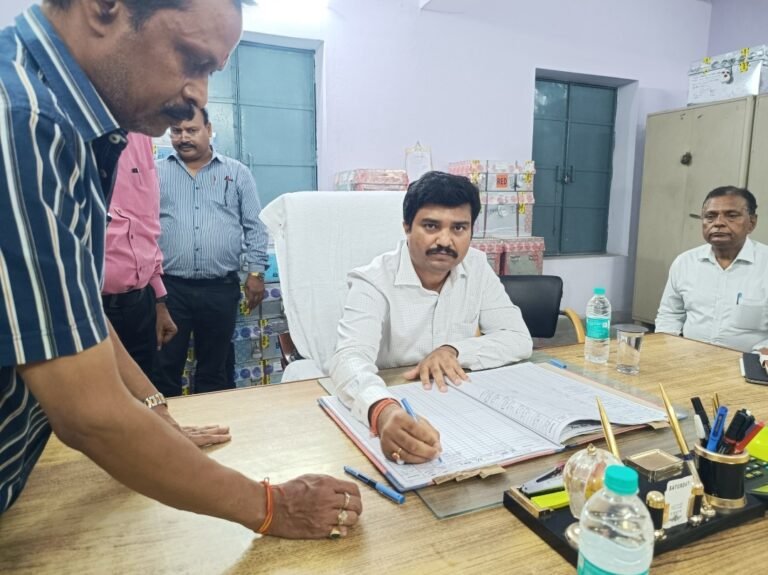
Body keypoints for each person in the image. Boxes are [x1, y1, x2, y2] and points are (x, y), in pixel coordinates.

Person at [0, 0, 361, 540]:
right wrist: (273, 508)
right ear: (104, 8)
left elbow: (71, 313)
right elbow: (89, 415)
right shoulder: (24, 122)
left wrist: (154, 412)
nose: (199, 96)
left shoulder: (69, 123)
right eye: (192, 60)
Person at [328, 171, 533, 464]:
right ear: (407, 227)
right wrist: (382, 409)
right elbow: (349, 357)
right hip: (395, 398)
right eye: (431, 226)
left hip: (460, 407)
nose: (445, 240)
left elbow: (518, 338)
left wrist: (453, 350)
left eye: (459, 228)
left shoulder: (476, 266)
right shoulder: (372, 280)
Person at [153, 106, 268, 396]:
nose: (183, 138)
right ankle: (168, 423)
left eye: (191, 130)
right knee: (165, 365)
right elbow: (145, 228)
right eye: (176, 131)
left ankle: (214, 420)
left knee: (215, 369)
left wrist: (256, 272)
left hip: (220, 289)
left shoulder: (236, 173)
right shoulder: (156, 173)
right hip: (170, 290)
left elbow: (254, 225)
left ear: (209, 129)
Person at [655, 186, 768, 365]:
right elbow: (670, 315)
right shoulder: (685, 262)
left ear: (752, 223)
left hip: (749, 366)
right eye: (710, 216)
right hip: (688, 362)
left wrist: (757, 359)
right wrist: (670, 351)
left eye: (731, 215)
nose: (718, 223)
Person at [103, 133, 177, 378]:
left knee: (146, 389)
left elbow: (147, 221)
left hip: (139, 306)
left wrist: (159, 300)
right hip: (87, 307)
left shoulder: (140, 136)